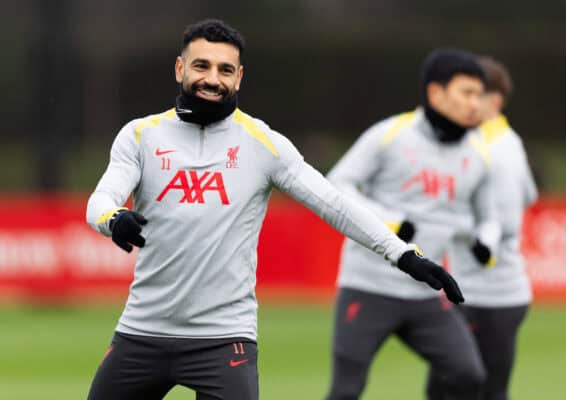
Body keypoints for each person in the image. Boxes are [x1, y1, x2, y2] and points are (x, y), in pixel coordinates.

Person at [85, 19, 463, 400]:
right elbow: (100, 201)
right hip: (142, 333)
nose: (212, 79)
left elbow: (334, 203)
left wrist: (401, 253)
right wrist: (113, 219)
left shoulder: (263, 144)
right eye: (201, 66)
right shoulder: (140, 134)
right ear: (180, 68)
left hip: (223, 341)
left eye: (225, 70)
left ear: (239, 77)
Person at [325, 48, 501, 400]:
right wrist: (389, 221)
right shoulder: (389, 135)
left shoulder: (479, 153)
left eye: (480, 95)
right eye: (466, 93)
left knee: (468, 376)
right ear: (436, 93)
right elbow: (336, 184)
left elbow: (489, 218)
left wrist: (487, 242)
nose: (475, 104)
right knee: (345, 391)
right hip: (367, 285)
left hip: (426, 293)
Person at [445, 55, 538, 400]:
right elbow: (530, 194)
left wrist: (447, 221)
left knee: (468, 391)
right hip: (490, 293)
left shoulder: (494, 151)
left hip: (487, 295)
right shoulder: (506, 142)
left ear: (494, 101)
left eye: (473, 93)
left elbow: (507, 222)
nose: (464, 101)